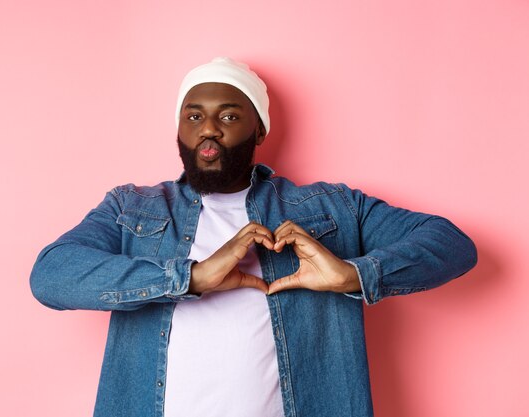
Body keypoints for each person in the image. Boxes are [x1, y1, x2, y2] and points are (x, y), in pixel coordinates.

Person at [30, 57, 477, 417]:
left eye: (228, 115)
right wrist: (190, 278)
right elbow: (51, 275)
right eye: (194, 115)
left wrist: (352, 276)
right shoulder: (132, 207)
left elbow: (451, 243)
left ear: (259, 128)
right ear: (180, 129)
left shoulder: (330, 208)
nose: (209, 128)